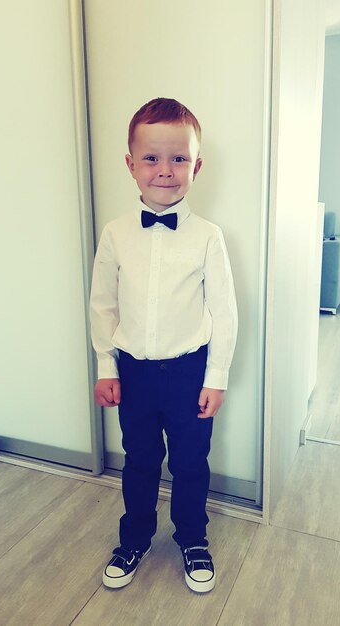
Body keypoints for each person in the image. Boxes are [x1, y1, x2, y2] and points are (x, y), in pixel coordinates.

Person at [90, 97, 238, 593]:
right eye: (151, 158)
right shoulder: (114, 235)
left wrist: (215, 378)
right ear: (130, 164)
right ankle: (134, 537)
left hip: (188, 373)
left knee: (191, 462)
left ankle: (193, 538)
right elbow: (102, 305)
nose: (165, 170)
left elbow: (224, 311)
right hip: (132, 372)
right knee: (140, 459)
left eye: (179, 159)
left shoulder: (208, 237)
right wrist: (105, 365)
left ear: (196, 166)